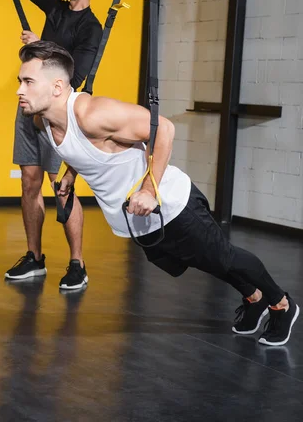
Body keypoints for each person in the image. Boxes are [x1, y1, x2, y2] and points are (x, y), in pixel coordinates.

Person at [15, 40, 300, 346]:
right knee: (206, 261)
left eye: (28, 82)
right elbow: (78, 147)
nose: (19, 89)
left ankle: (281, 304)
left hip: (171, 205)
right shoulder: (42, 120)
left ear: (57, 87)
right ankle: (254, 298)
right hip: (138, 219)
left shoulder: (92, 113)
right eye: (20, 81)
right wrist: (71, 174)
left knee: (225, 258)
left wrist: (149, 190)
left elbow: (163, 128)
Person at [0, 0, 106, 289]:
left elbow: (75, 76)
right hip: (29, 110)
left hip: (60, 116)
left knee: (61, 187)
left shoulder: (92, 28)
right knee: (29, 182)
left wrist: (43, 47)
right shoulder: (55, 7)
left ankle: (77, 264)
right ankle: (35, 257)